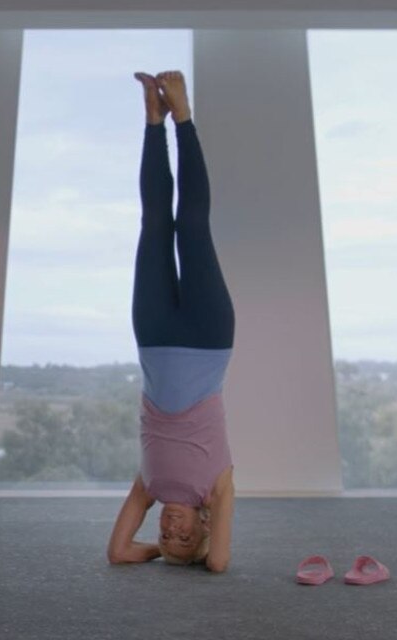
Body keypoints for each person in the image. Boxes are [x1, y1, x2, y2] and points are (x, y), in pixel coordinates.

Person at [105, 71, 235, 573]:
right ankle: (184, 117)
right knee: (193, 225)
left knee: (155, 223)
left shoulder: (150, 486)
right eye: (185, 538)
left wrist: (160, 553)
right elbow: (219, 563)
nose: (171, 531)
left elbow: (118, 552)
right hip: (209, 338)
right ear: (204, 523)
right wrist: (196, 554)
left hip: (154, 336)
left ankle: (152, 121)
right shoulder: (217, 486)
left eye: (166, 536)